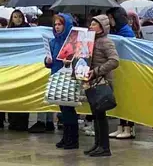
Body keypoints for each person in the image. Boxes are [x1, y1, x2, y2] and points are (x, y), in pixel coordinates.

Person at [83, 15, 119, 158]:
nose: (91, 26)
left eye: (94, 24)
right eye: (90, 24)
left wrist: (97, 71)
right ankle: (98, 144)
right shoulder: (90, 41)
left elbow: (114, 61)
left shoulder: (105, 42)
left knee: (101, 115)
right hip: (91, 82)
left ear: (102, 27)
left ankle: (104, 147)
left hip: (102, 82)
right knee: (95, 114)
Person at [45, 14, 79, 149]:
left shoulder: (72, 42)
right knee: (63, 110)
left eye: (60, 24)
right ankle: (66, 137)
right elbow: (50, 61)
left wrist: (69, 61)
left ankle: (73, 139)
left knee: (69, 109)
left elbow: (80, 59)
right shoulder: (53, 42)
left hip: (69, 77)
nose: (57, 27)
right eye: (55, 24)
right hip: (56, 77)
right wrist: (47, 62)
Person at [105, 7, 136, 140]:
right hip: (119, 69)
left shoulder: (126, 32)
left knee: (128, 99)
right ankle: (121, 125)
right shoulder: (116, 31)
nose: (109, 21)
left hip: (127, 69)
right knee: (120, 98)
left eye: (111, 18)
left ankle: (129, 127)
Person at [7, 9, 32, 132]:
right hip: (11, 66)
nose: (17, 19)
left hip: (24, 65)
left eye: (19, 17)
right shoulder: (7, 32)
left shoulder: (28, 30)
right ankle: (12, 121)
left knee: (23, 93)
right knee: (11, 92)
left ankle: (23, 122)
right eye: (15, 17)